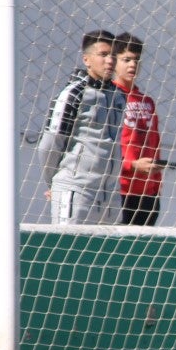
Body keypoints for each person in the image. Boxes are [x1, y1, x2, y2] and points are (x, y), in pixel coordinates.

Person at [38, 29, 126, 225]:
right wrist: (53, 182)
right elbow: (50, 145)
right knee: (68, 249)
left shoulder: (120, 96)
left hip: (110, 196)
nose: (110, 61)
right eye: (103, 55)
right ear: (86, 60)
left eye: (113, 55)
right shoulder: (73, 94)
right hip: (75, 191)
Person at [111, 32, 164, 226]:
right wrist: (132, 165)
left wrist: (157, 185)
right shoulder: (109, 98)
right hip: (120, 189)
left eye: (136, 60)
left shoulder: (147, 101)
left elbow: (155, 144)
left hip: (148, 192)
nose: (133, 64)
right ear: (114, 62)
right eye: (126, 59)